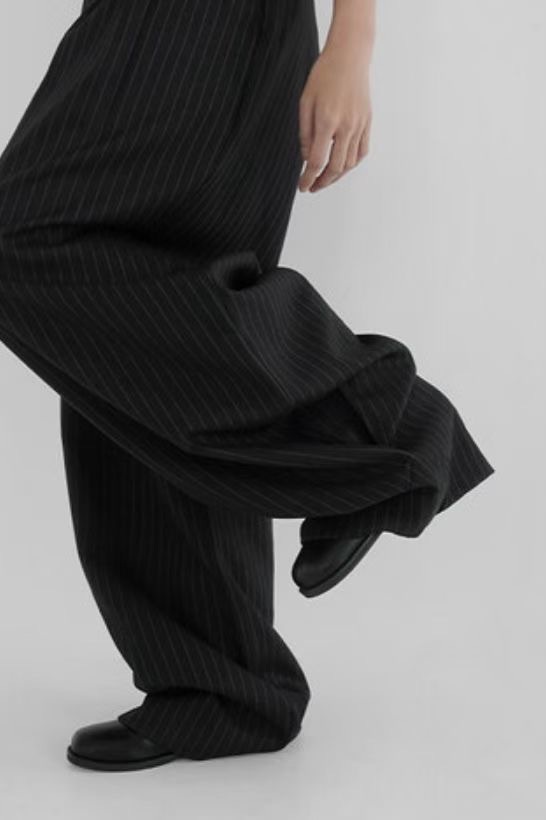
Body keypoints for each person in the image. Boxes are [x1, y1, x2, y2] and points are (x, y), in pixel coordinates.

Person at [0, 0, 494, 771]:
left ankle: (379, 426)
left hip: (208, 23)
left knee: (26, 248)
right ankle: (223, 688)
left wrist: (354, 42)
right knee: (141, 350)